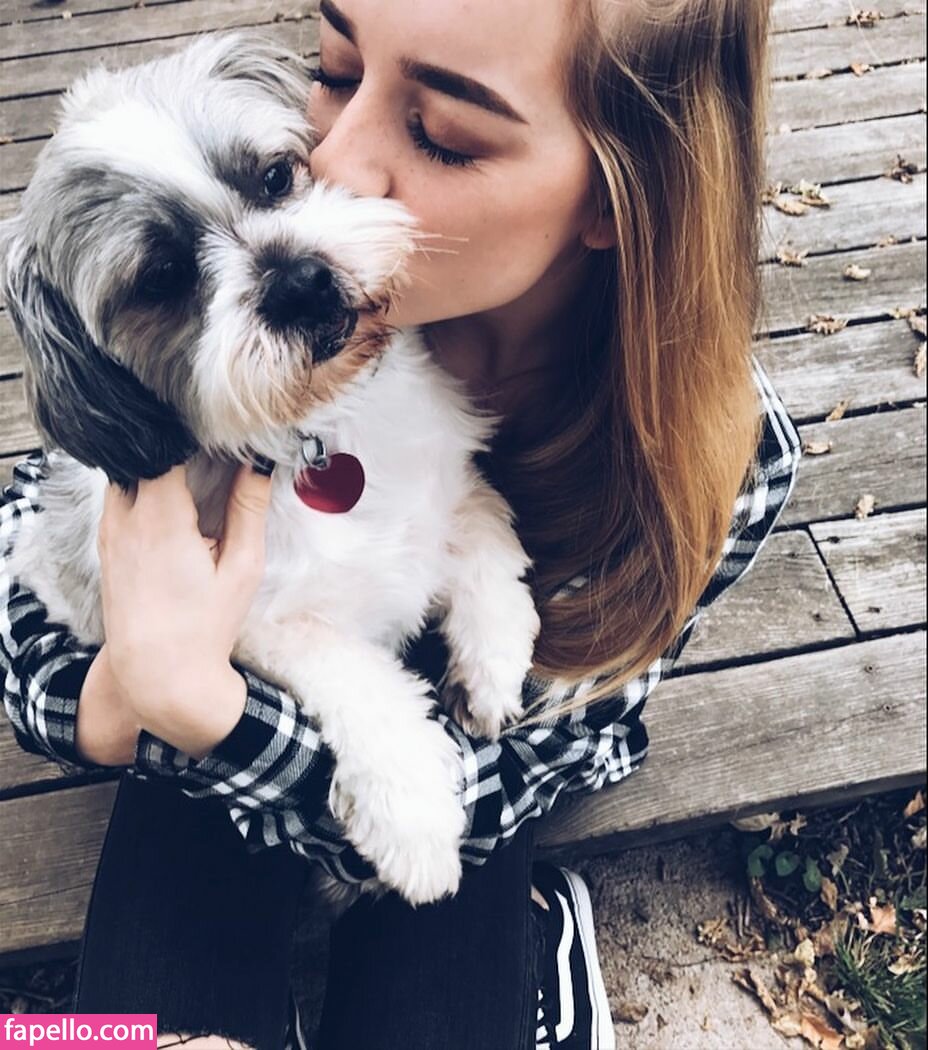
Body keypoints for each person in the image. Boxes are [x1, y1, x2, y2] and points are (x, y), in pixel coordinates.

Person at [0, 1, 801, 1047]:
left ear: (619, 191)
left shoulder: (713, 459)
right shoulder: (207, 411)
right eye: (335, 71)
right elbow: (37, 557)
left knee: (442, 925)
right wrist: (124, 702)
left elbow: (504, 781)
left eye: (442, 134)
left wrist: (216, 720)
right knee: (110, 1038)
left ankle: (544, 957)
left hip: (464, 763)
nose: (333, 161)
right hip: (192, 746)